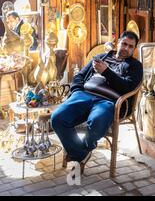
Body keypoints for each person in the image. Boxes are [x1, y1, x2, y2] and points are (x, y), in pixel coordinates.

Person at [50, 31, 143, 173]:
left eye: (130, 46)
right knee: (57, 118)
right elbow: (79, 76)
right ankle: (81, 154)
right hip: (83, 95)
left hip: (107, 102)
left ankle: (80, 150)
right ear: (118, 42)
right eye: (124, 44)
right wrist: (76, 92)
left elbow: (128, 88)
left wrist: (106, 72)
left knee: (97, 122)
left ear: (134, 49)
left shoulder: (135, 66)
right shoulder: (101, 57)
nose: (126, 48)